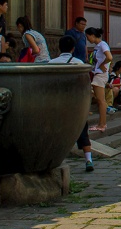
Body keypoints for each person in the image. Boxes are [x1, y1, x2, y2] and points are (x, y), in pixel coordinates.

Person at [48, 36, 100, 172]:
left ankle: (53, 160)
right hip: (76, 103)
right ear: (73, 48)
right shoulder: (79, 63)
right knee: (83, 132)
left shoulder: (51, 63)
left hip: (58, 103)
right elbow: (85, 84)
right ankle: (88, 160)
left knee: (56, 132)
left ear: (59, 47)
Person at [86, 28, 112, 132]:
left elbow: (109, 57)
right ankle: (101, 123)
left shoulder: (102, 44)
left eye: (88, 37)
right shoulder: (98, 46)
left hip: (100, 75)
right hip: (98, 74)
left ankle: (102, 124)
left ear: (92, 35)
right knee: (100, 100)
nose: (88, 39)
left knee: (101, 101)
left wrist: (102, 65)